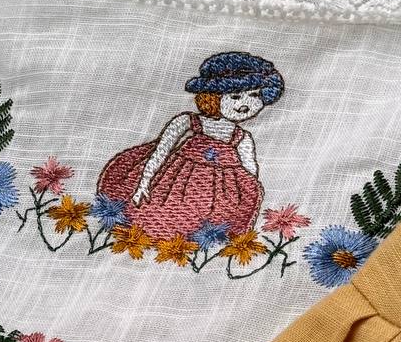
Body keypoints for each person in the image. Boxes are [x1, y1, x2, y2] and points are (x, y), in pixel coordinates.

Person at [96, 51, 284, 241]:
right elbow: (161, 151)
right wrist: (144, 182)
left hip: (221, 196)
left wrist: (249, 199)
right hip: (177, 183)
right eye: (235, 96)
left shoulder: (242, 138)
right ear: (212, 97)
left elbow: (250, 175)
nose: (245, 104)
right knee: (163, 217)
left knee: (212, 230)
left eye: (254, 94)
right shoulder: (188, 121)